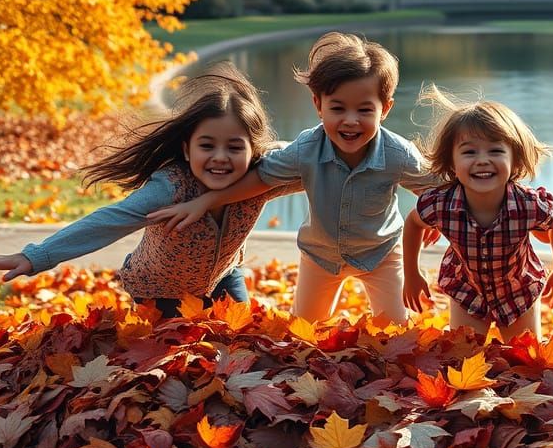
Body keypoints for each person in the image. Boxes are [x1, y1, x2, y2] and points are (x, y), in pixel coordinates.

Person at [148, 32, 434, 324]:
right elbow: (261, 178)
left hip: (381, 254)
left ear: (385, 109)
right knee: (304, 330)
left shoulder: (398, 154)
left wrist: (432, 215)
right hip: (320, 257)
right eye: (337, 108)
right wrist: (208, 200)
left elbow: (438, 187)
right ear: (318, 105)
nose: (350, 120)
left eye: (364, 110)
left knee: (397, 331)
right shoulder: (307, 149)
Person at [0, 67, 297, 317]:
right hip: (160, 291)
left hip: (224, 279)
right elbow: (108, 220)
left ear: (252, 150)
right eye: (207, 145)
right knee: (172, 362)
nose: (220, 157)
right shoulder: (169, 188)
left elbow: (311, 163)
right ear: (187, 150)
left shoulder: (262, 177)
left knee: (245, 341)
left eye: (234, 147)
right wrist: (35, 256)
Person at [402, 87, 553, 340]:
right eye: (469, 152)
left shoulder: (528, 205)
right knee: (465, 354)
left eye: (495, 151)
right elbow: (413, 223)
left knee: (524, 356)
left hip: (517, 291)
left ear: (515, 160)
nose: (482, 160)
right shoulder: (440, 205)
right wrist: (411, 274)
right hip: (467, 290)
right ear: (452, 163)